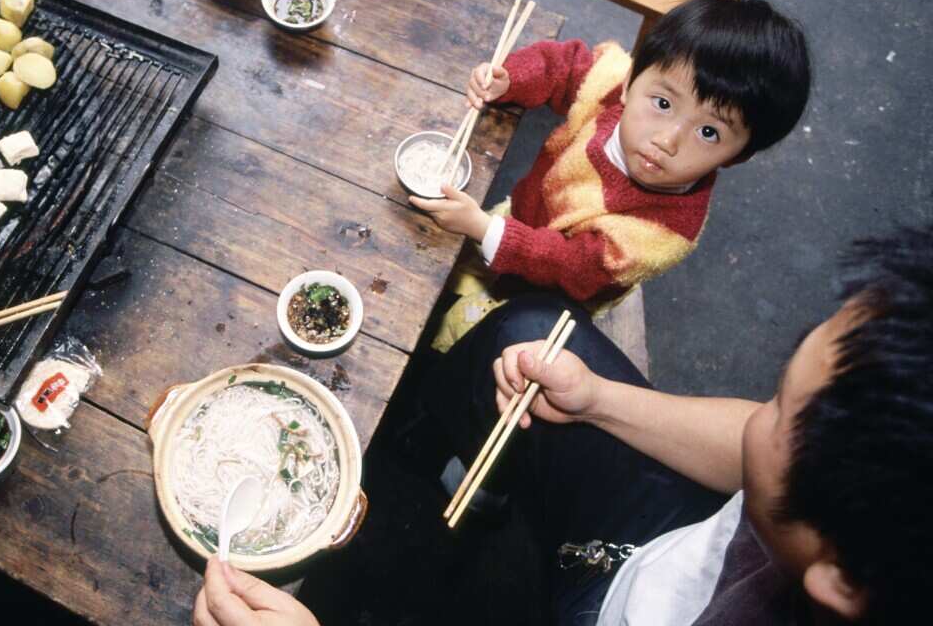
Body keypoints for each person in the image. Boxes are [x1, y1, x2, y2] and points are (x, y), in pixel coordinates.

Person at [194, 224, 933, 624]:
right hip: (662, 552)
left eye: (777, 414)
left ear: (843, 579)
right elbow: (756, 457)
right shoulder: (863, 527)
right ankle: (438, 456)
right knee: (533, 326)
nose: (756, 415)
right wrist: (600, 401)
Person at [412, 0, 812, 352]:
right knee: (435, 269)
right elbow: (564, 67)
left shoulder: (661, 234)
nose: (668, 139)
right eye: (662, 103)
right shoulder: (613, 84)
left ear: (737, 156)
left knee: (463, 339)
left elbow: (569, 267)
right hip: (517, 219)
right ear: (630, 83)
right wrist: (510, 78)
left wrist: (483, 229)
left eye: (709, 131)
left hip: (544, 292)